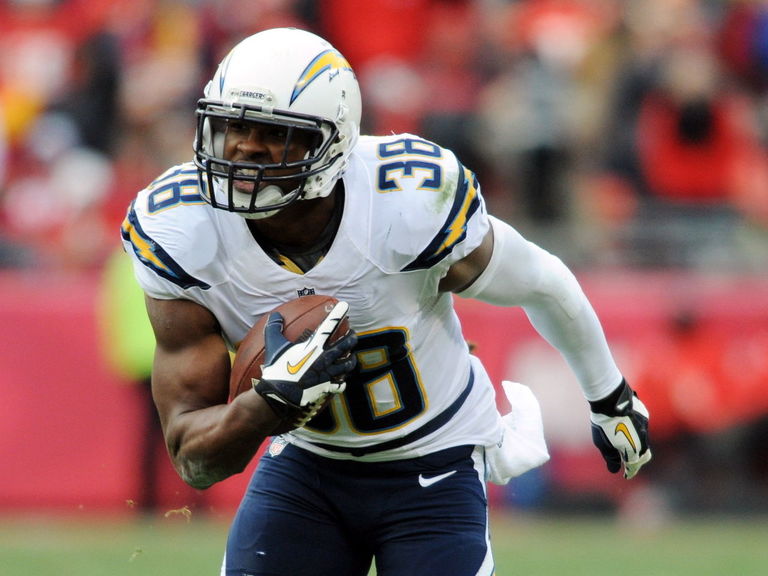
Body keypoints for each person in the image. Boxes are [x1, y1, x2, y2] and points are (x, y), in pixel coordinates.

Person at [121, 27, 651, 576]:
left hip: (435, 459)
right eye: (231, 125)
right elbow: (192, 457)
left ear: (331, 143)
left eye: (272, 132)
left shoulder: (405, 203)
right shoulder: (182, 229)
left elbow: (541, 280)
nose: (244, 147)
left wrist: (610, 397)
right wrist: (270, 403)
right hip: (309, 465)